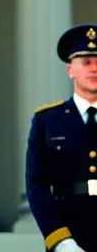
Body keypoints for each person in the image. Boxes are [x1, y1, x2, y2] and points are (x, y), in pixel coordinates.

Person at [25, 24, 97, 252]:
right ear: (70, 70)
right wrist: (60, 241)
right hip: (70, 233)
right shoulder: (47, 120)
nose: (93, 69)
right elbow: (37, 185)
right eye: (86, 62)